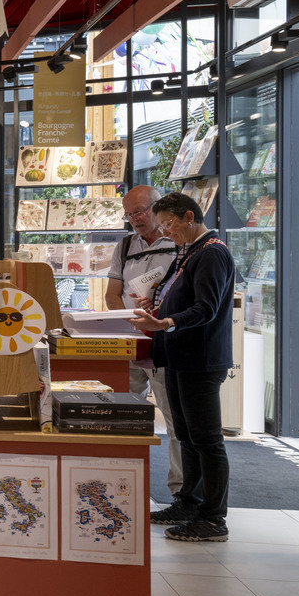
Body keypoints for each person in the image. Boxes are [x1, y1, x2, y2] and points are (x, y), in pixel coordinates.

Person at [129, 192, 237, 542]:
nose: (165, 232)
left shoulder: (212, 252)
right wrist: (156, 305)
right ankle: (188, 502)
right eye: (162, 225)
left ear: (189, 217)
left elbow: (207, 307)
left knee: (206, 440)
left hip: (199, 359)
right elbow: (183, 297)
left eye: (169, 224)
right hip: (178, 356)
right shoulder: (189, 251)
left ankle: (213, 518)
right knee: (187, 437)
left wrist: (166, 321)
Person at [104, 185, 182, 508]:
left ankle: (181, 494)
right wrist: (126, 321)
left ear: (157, 206)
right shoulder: (124, 246)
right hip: (130, 343)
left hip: (166, 342)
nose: (135, 219)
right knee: (124, 416)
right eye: (129, 214)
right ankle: (123, 487)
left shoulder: (177, 242)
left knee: (174, 419)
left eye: (140, 211)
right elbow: (112, 294)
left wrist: (161, 317)